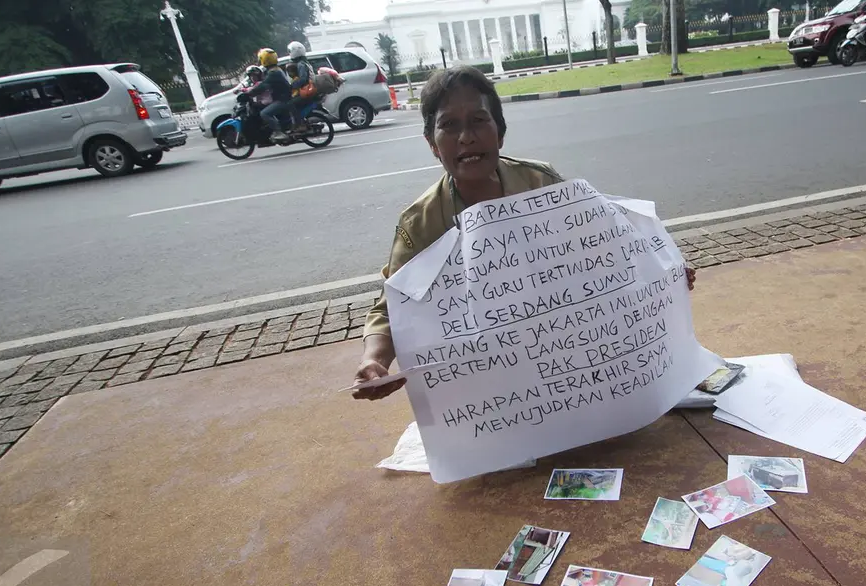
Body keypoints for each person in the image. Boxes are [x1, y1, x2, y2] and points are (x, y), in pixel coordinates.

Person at [352, 66, 697, 399]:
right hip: (492, 392)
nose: (466, 137)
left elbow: (603, 250)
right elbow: (393, 306)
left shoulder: (541, 182)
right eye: (449, 126)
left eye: (479, 121)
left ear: (500, 132)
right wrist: (375, 360)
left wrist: (662, 274)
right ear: (432, 144)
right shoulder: (420, 223)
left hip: (566, 366)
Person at [246, 48, 293, 143]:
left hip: (283, 99)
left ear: (264, 60)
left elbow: (263, 85)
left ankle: (278, 132)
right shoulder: (275, 70)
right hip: (282, 97)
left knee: (264, 113)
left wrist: (251, 92)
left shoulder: (273, 73)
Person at [285, 41, 316, 134]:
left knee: (290, 104)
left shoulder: (301, 64)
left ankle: (300, 124)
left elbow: (303, 79)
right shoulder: (305, 62)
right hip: (310, 88)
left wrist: (291, 86)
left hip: (307, 90)